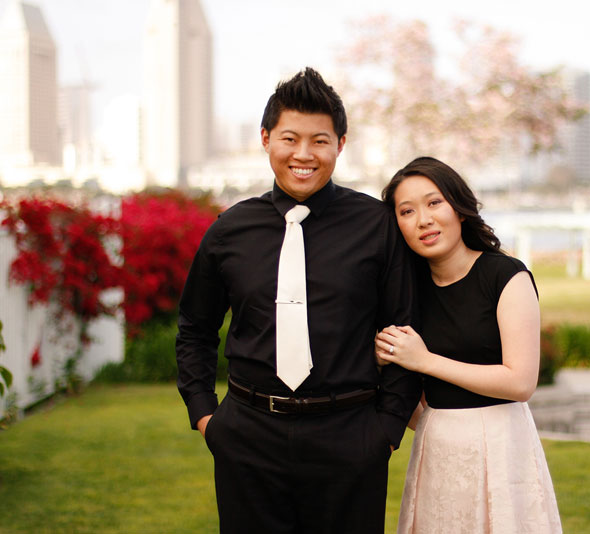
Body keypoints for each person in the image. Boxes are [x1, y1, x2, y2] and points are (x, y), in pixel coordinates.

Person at [176, 67, 422, 534]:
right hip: (248, 435)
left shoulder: (376, 225)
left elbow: (405, 324)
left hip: (351, 437)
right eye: (290, 138)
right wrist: (205, 415)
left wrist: (387, 430)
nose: (304, 155)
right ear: (266, 139)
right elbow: (196, 329)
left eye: (320, 141)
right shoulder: (229, 231)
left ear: (341, 144)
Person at [376, 156, 562, 533]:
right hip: (438, 450)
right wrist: (387, 364)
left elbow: (521, 382)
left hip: (504, 444)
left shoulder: (505, 276)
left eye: (434, 203)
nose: (423, 220)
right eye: (407, 211)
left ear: (459, 209)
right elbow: (415, 403)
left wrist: (424, 360)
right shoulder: (406, 294)